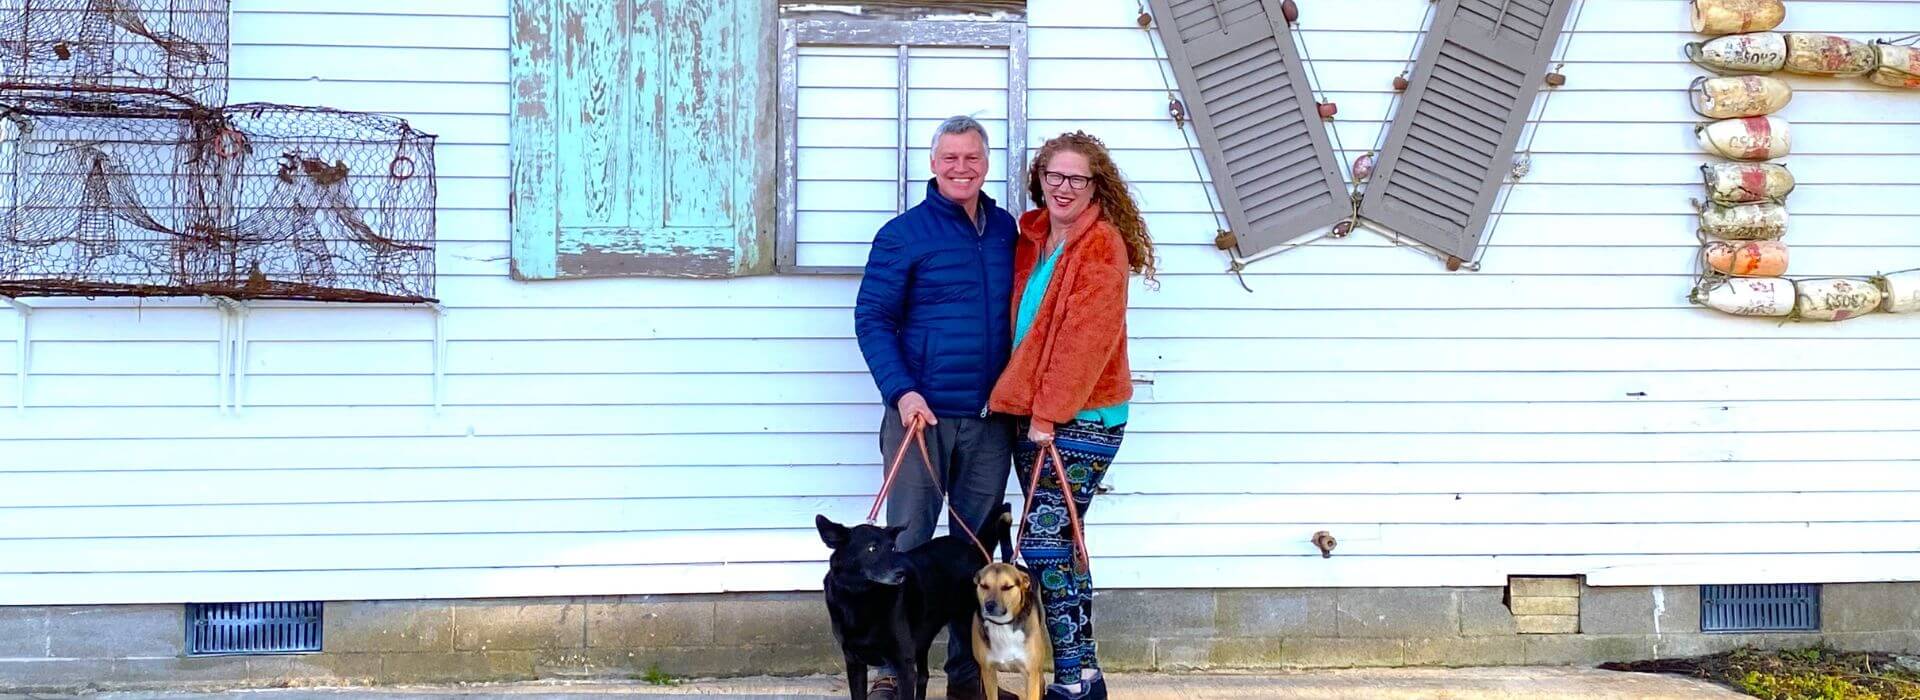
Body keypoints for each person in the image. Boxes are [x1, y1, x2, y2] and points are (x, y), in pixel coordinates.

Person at [852, 115, 1020, 700]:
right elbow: (872, 318)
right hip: (918, 419)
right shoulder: (903, 235)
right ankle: (892, 673)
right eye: (950, 158)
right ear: (932, 163)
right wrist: (902, 391)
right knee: (906, 551)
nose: (961, 168)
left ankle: (969, 675)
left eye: (971, 158)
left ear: (986, 163)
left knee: (975, 555)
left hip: (990, 421)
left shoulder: (1007, 232)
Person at [986, 131, 1154, 700]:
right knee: (1063, 542)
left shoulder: (1101, 245)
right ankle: (1085, 675)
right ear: (1040, 179)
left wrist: (1049, 414)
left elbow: (1086, 340)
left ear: (1095, 186)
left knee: (1044, 542)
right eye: (1054, 176)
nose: (1063, 187)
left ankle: (1074, 678)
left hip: (1080, 417)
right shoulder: (1035, 238)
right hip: (1038, 415)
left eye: (1076, 179)